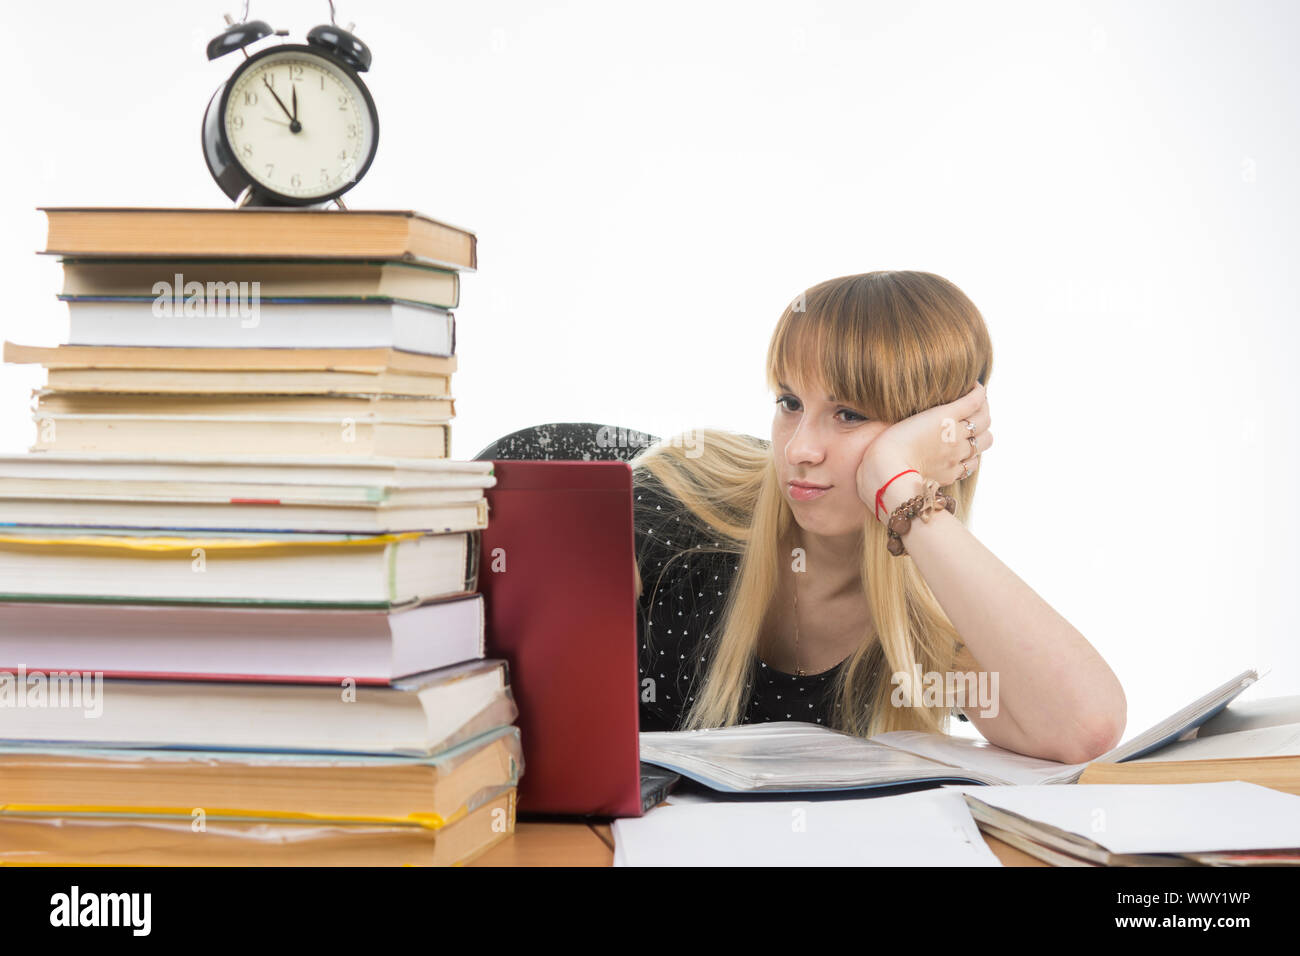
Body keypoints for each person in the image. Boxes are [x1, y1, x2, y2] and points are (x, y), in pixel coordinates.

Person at [630, 271, 1126, 765]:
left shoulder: (931, 620)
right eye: (789, 403)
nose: (799, 448)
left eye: (849, 414)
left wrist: (900, 486)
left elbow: (1085, 729)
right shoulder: (683, 501)